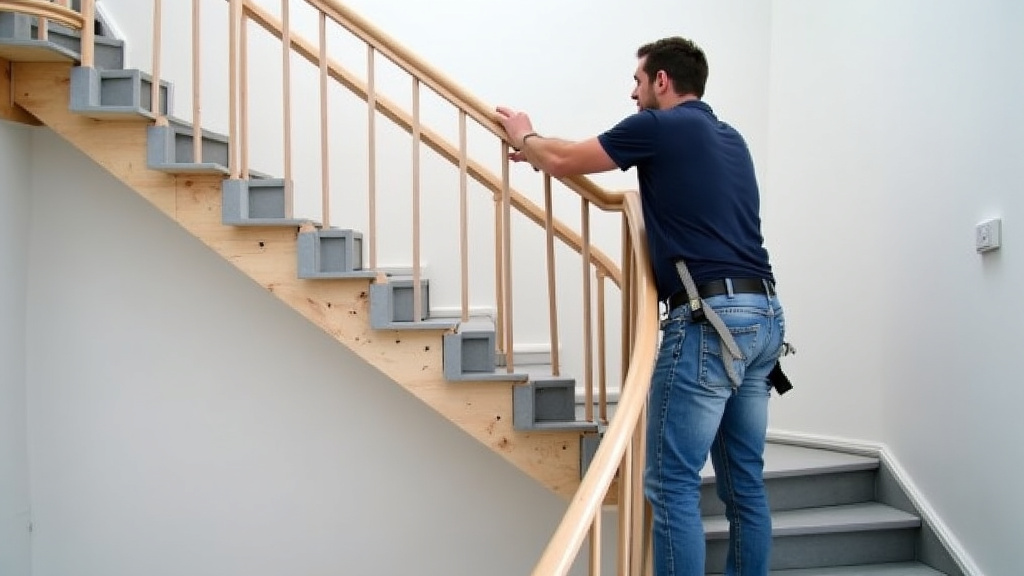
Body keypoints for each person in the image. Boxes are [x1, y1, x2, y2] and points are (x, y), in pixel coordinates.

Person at [495, 36, 785, 576]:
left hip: (707, 321)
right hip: (764, 315)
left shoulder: (659, 127)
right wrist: (541, 152)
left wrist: (526, 135)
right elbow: (567, 156)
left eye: (637, 81)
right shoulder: (732, 139)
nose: (632, 93)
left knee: (670, 483)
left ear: (662, 81)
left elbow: (563, 158)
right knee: (744, 485)